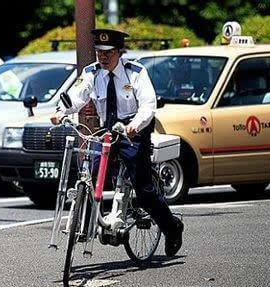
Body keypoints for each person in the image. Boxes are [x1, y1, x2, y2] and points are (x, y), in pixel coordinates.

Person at [50, 29, 184, 257]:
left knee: (143, 189)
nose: (103, 57)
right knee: (89, 174)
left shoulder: (135, 73)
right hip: (108, 131)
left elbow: (148, 106)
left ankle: (172, 227)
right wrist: (61, 112)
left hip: (134, 131)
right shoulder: (92, 73)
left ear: (119, 52)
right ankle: (85, 227)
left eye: (109, 53)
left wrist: (135, 125)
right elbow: (77, 95)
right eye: (99, 52)